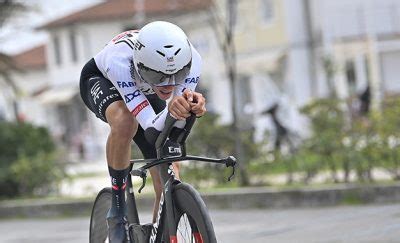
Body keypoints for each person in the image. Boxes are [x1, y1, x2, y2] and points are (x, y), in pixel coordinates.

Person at [79, 21, 206, 242]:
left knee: (169, 171)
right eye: (160, 76)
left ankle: (161, 233)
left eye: (177, 74)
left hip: (148, 89)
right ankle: (118, 210)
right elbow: (150, 126)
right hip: (103, 80)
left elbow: (172, 127)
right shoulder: (119, 62)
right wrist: (174, 110)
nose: (169, 84)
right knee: (126, 122)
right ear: (140, 66)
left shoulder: (192, 60)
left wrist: (192, 108)